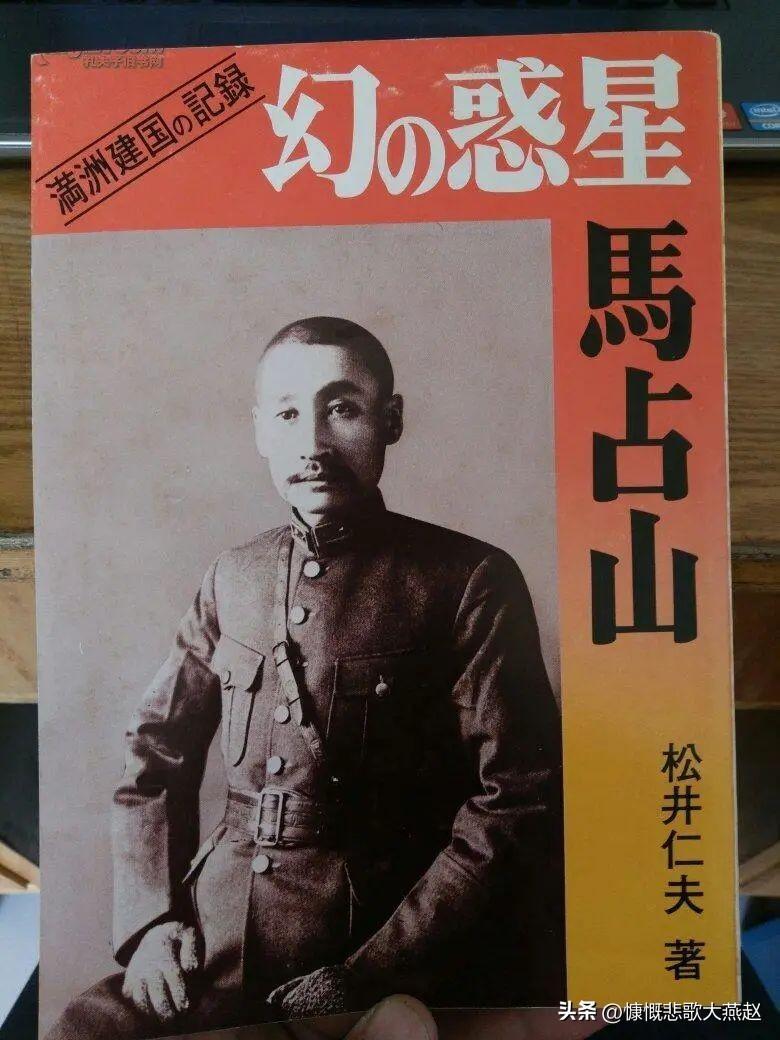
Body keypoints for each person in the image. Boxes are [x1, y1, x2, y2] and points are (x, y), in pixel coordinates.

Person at [47, 317, 564, 1040]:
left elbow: (516, 798)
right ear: (261, 430)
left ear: (391, 421)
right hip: (211, 945)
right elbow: (153, 756)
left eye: (342, 409)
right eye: (288, 414)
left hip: (370, 947)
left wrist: (372, 971)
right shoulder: (232, 577)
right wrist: (152, 924)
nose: (313, 444)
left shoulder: (466, 579)